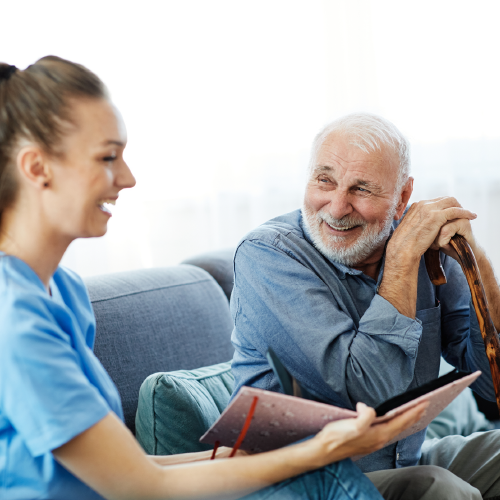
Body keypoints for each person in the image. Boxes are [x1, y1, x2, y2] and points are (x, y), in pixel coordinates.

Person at [0, 57, 435, 500]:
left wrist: (239, 459)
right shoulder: (14, 317)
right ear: (37, 168)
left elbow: (130, 467)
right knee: (322, 476)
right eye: (108, 157)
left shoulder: (64, 291)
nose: (128, 179)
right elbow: (139, 487)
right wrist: (321, 449)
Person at [230, 112, 500, 499]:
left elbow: (492, 385)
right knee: (439, 489)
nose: (337, 207)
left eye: (362, 189)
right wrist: (403, 259)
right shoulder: (268, 256)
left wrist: (476, 259)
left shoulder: (423, 245)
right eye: (325, 180)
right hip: (310, 484)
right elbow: (369, 393)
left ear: (401, 198)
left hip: (402, 462)